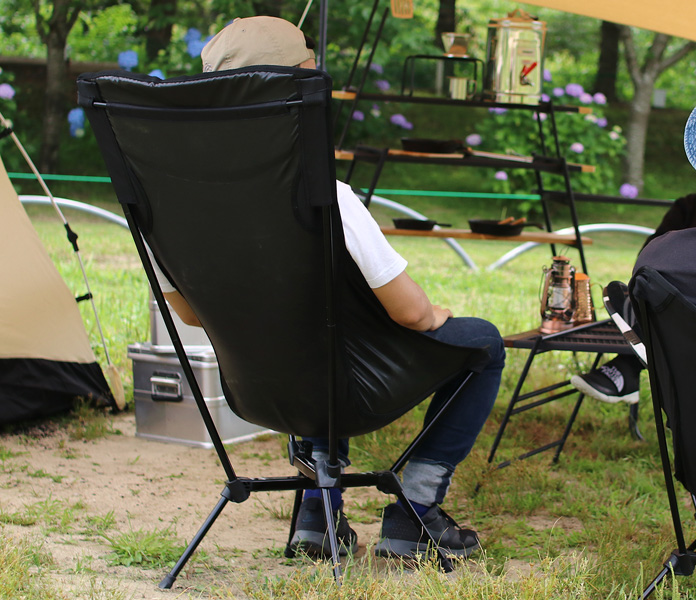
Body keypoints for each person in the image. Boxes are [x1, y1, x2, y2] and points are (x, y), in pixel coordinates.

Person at [161, 15, 505, 561]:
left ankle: (317, 518)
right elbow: (411, 315)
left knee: (306, 336)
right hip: (350, 393)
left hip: (257, 391)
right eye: (308, 69)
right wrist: (436, 315)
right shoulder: (324, 194)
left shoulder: (169, 206)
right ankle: (416, 509)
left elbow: (192, 314)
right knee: (483, 343)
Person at [571, 194, 696, 404]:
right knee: (657, 287)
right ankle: (629, 363)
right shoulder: (689, 206)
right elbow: (650, 262)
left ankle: (627, 366)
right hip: (677, 309)